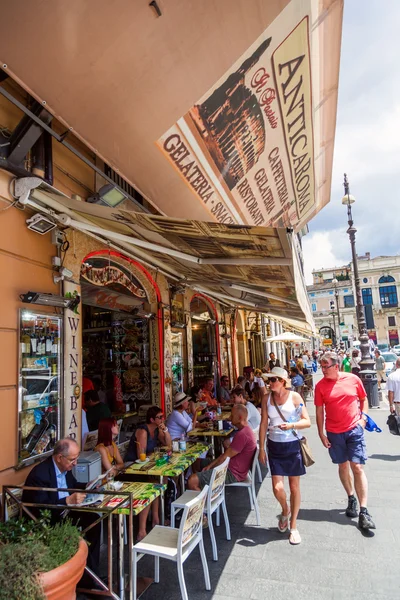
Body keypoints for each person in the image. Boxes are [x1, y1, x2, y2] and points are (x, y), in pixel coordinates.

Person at [22, 438, 102, 590]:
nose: (76, 463)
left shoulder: (64, 468)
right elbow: (41, 508)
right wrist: (66, 500)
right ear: (59, 457)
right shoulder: (40, 474)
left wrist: (89, 485)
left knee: (94, 521)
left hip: (65, 513)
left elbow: (73, 486)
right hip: (48, 521)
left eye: (77, 458)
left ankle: (91, 574)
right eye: (73, 459)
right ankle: (92, 581)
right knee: (80, 537)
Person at [314, 351, 376, 530]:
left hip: (354, 429)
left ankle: (364, 511)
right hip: (333, 432)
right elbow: (319, 411)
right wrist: (320, 433)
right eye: (322, 367)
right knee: (342, 466)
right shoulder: (320, 386)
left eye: (326, 366)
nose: (323, 370)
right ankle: (351, 497)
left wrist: (363, 419)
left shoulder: (353, 379)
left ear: (336, 366)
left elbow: (364, 399)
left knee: (357, 467)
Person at [259, 367, 311, 545]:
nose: (270, 383)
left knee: (294, 487)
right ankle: (285, 509)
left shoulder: (295, 397)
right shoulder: (266, 398)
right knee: (277, 488)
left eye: (274, 380)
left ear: (282, 381)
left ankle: (294, 526)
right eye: (269, 380)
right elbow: (264, 423)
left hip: (292, 445)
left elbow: (307, 421)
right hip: (274, 446)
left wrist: (292, 426)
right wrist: (261, 449)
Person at [125, 406, 171, 540]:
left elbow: (168, 445)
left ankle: (156, 518)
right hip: (132, 468)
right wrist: (154, 454)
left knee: (161, 481)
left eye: (163, 416)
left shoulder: (157, 430)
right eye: (160, 417)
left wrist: (166, 430)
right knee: (152, 485)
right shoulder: (142, 431)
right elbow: (141, 455)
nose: (163, 419)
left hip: (145, 467)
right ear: (152, 419)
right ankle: (142, 530)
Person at [187, 404, 256, 490]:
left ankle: (208, 501)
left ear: (240, 418)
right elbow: (224, 456)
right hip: (232, 467)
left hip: (232, 473)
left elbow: (224, 457)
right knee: (197, 462)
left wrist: (211, 467)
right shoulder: (245, 431)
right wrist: (210, 466)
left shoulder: (243, 434)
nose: (230, 417)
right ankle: (205, 484)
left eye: (232, 415)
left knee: (192, 481)